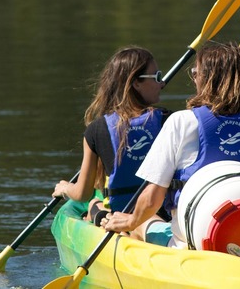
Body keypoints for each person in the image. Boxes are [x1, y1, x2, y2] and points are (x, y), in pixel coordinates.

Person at [103, 42, 240, 248]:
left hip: (192, 240)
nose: (194, 79)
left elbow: (152, 199)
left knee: (143, 224)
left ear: (208, 80)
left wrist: (130, 221)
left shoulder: (181, 121)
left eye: (196, 73)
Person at [52, 46, 170, 228]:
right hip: (165, 215)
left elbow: (82, 193)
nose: (161, 83)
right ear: (136, 83)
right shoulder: (170, 121)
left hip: (120, 218)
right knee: (94, 203)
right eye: (157, 77)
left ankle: (97, 212)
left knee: (92, 203)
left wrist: (65, 188)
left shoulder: (96, 130)